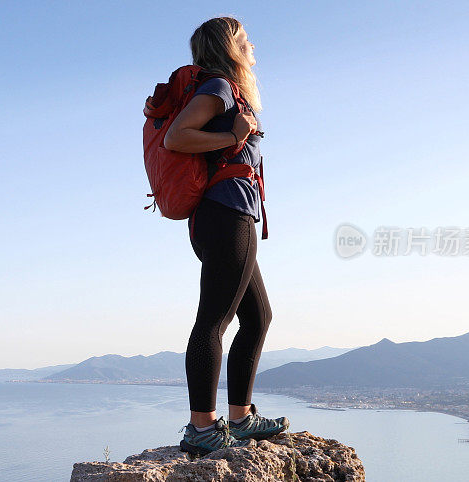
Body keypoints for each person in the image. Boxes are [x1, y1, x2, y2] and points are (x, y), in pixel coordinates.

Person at [163, 16, 290, 456]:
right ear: (230, 47)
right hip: (226, 214)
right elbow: (176, 138)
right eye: (245, 39)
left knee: (258, 317)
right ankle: (201, 427)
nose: (253, 45)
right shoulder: (217, 88)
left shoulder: (227, 91)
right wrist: (237, 132)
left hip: (229, 215)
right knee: (213, 321)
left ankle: (241, 418)